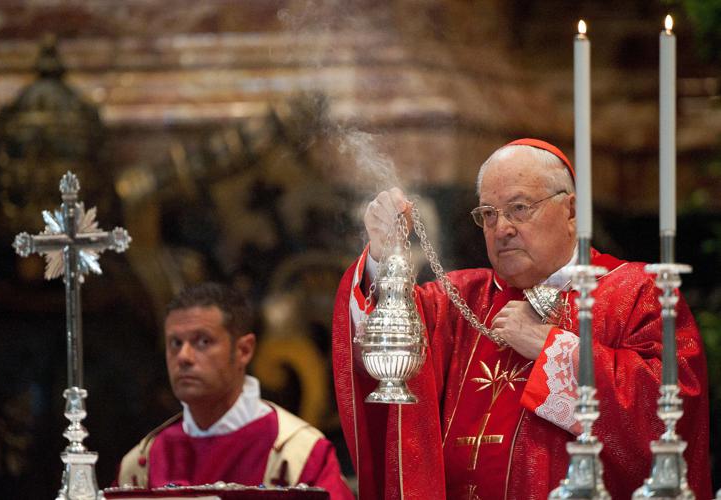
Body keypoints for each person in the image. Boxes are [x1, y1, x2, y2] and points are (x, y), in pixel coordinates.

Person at [331, 139, 711, 499]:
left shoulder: (636, 293)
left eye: (519, 208)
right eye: (489, 214)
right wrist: (384, 258)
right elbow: (379, 352)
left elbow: (668, 415)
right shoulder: (457, 303)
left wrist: (553, 349)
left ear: (572, 211)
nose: (502, 229)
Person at [116, 282, 354, 499]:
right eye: (175, 343)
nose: (184, 357)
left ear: (244, 350)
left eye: (203, 341)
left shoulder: (299, 454)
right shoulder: (143, 462)